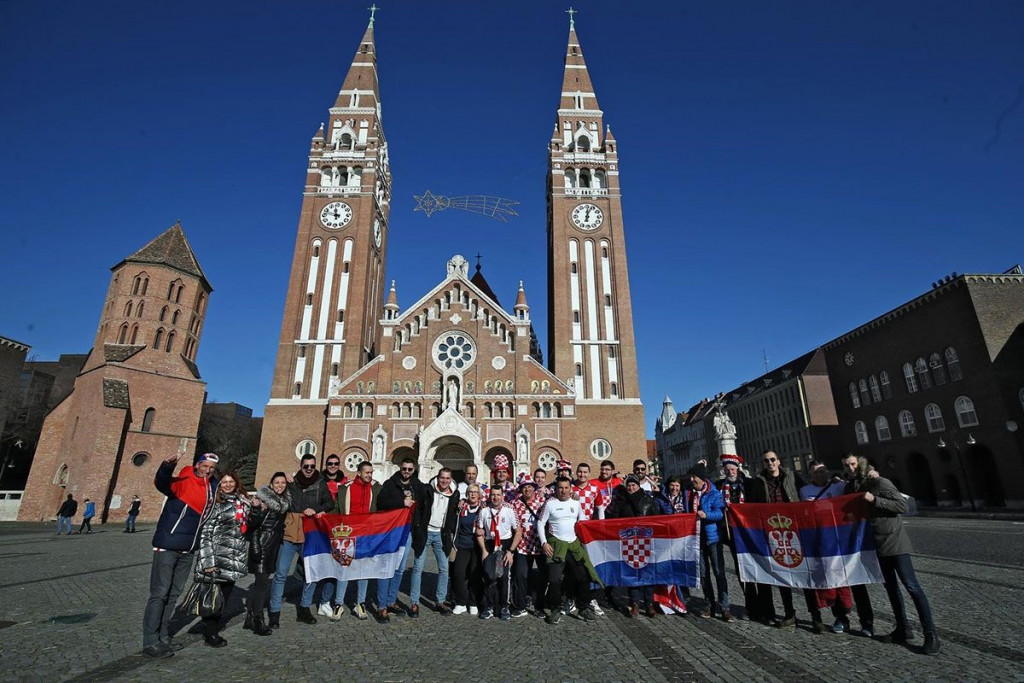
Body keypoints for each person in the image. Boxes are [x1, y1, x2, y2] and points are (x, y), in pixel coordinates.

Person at [843, 454, 939, 655]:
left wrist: (875, 499)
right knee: (891, 588)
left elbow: (902, 505)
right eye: (846, 465)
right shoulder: (852, 487)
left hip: (894, 542)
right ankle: (903, 629)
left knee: (912, 586)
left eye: (853, 464)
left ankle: (931, 635)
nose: (850, 468)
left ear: (860, 464)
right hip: (876, 544)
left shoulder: (879, 482)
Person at [142, 451, 218, 659]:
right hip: (168, 546)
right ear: (197, 464)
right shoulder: (183, 480)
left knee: (174, 594)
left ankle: (164, 636)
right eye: (205, 465)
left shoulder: (212, 488)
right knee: (160, 593)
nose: (208, 470)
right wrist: (167, 466)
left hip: (188, 549)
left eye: (212, 468)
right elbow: (162, 483)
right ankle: (150, 640)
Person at [269, 454, 333, 627]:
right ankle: (274, 612)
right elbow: (273, 490)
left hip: (309, 535)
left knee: (311, 574)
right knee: (281, 573)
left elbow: (330, 504)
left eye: (312, 466)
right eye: (306, 466)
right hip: (289, 534)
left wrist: (317, 508)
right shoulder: (292, 483)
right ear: (301, 466)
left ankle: (304, 608)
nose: (309, 469)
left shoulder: (320, 483)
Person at [748, 450, 804, 627]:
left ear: (778, 461)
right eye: (766, 461)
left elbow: (806, 495)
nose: (770, 463)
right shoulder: (758, 482)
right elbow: (753, 506)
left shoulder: (792, 477)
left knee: (802, 570)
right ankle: (778, 612)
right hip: (770, 532)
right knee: (776, 572)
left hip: (792, 530)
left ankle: (811, 615)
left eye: (773, 460)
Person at [194, 470, 250, 647]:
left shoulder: (242, 502)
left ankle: (212, 629)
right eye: (224, 482)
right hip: (217, 557)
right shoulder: (215, 504)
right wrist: (208, 562)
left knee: (224, 596)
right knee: (213, 597)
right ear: (219, 485)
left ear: (236, 483)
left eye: (231, 481)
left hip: (233, 558)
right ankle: (210, 634)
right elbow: (205, 533)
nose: (228, 485)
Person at [538, 476, 599, 624]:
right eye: (560, 488)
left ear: (570, 489)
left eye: (566, 488)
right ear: (556, 489)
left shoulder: (576, 503)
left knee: (583, 576)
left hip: (573, 544)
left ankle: (583, 607)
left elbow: (582, 522)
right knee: (554, 579)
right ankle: (555, 609)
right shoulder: (550, 504)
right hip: (556, 546)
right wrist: (544, 543)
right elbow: (540, 523)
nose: (563, 491)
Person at [605, 475, 661, 618]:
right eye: (629, 485)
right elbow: (613, 520)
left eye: (633, 485)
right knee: (633, 573)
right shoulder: (622, 502)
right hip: (629, 542)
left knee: (647, 573)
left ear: (638, 486)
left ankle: (649, 603)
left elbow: (657, 518)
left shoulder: (648, 500)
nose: (631, 488)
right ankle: (634, 602)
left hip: (646, 541)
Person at [376, 456, 421, 621]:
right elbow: (381, 502)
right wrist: (402, 502)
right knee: (387, 567)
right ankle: (381, 606)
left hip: (407, 531)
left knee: (400, 568)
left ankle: (391, 601)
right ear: (400, 468)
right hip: (391, 531)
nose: (407, 472)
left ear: (414, 469)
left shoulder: (416, 485)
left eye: (410, 469)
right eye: (404, 469)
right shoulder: (390, 483)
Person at [409, 467, 460, 616]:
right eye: (442, 478)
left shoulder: (454, 494)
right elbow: (417, 509)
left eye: (447, 478)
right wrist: (417, 528)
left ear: (451, 480)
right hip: (425, 532)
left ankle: (440, 601)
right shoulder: (426, 489)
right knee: (418, 568)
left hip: (441, 535)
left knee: (444, 569)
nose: (444, 481)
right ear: (437, 478)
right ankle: (414, 603)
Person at [334, 460, 381, 620]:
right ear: (359, 472)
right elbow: (336, 510)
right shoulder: (345, 489)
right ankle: (338, 603)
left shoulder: (376, 488)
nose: (369, 475)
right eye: (367, 472)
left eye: (371, 472)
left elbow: (385, 505)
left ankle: (360, 603)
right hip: (347, 534)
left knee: (364, 569)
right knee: (344, 567)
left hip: (367, 534)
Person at [246, 471, 290, 636]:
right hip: (262, 546)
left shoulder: (282, 501)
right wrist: (256, 548)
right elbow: (254, 526)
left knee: (260, 584)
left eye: (283, 483)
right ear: (271, 484)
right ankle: (258, 620)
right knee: (262, 585)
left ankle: (250, 618)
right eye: (277, 482)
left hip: (273, 547)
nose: (280, 485)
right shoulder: (264, 501)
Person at [715, 453, 758, 621]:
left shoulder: (748, 484)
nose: (730, 471)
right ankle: (750, 604)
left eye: (732, 468)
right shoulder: (719, 485)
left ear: (737, 469)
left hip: (748, 531)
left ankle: (759, 605)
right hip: (729, 532)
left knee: (754, 567)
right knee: (741, 570)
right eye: (727, 469)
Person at [686, 464, 732, 622]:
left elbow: (720, 513)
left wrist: (706, 514)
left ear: (701, 478)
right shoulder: (689, 494)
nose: (691, 480)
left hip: (713, 538)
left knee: (719, 573)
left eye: (694, 477)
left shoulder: (713, 493)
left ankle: (725, 606)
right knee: (704, 574)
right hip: (697, 539)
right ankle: (709, 604)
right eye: (690, 477)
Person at [476, 485, 522, 620]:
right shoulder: (484, 511)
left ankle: (504, 606)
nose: (495, 498)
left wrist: (511, 551)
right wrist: (484, 550)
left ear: (502, 496)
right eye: (493, 495)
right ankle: (489, 606)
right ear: (489, 496)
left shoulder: (509, 511)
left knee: (504, 576)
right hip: (490, 545)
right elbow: (479, 532)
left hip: (505, 545)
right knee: (489, 576)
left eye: (498, 495)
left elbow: (518, 531)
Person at [316, 453, 347, 619]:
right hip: (319, 528)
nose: (333, 466)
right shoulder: (318, 481)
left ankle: (325, 602)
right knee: (315, 565)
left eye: (336, 463)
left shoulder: (344, 482)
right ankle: (307, 603)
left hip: (338, 529)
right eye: (330, 463)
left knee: (334, 566)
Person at [510, 478, 546, 616]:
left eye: (530, 486)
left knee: (543, 576)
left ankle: (539, 606)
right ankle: (521, 605)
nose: (527, 489)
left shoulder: (543, 502)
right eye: (524, 487)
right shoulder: (514, 504)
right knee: (520, 575)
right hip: (522, 545)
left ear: (534, 488)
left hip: (540, 545)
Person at [450, 483, 485, 615]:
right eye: (470, 492)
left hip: (477, 546)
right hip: (462, 546)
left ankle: (473, 602)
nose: (473, 494)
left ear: (479, 495)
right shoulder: (461, 508)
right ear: (467, 494)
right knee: (458, 574)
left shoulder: (483, 509)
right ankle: (460, 602)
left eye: (476, 492)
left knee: (475, 575)